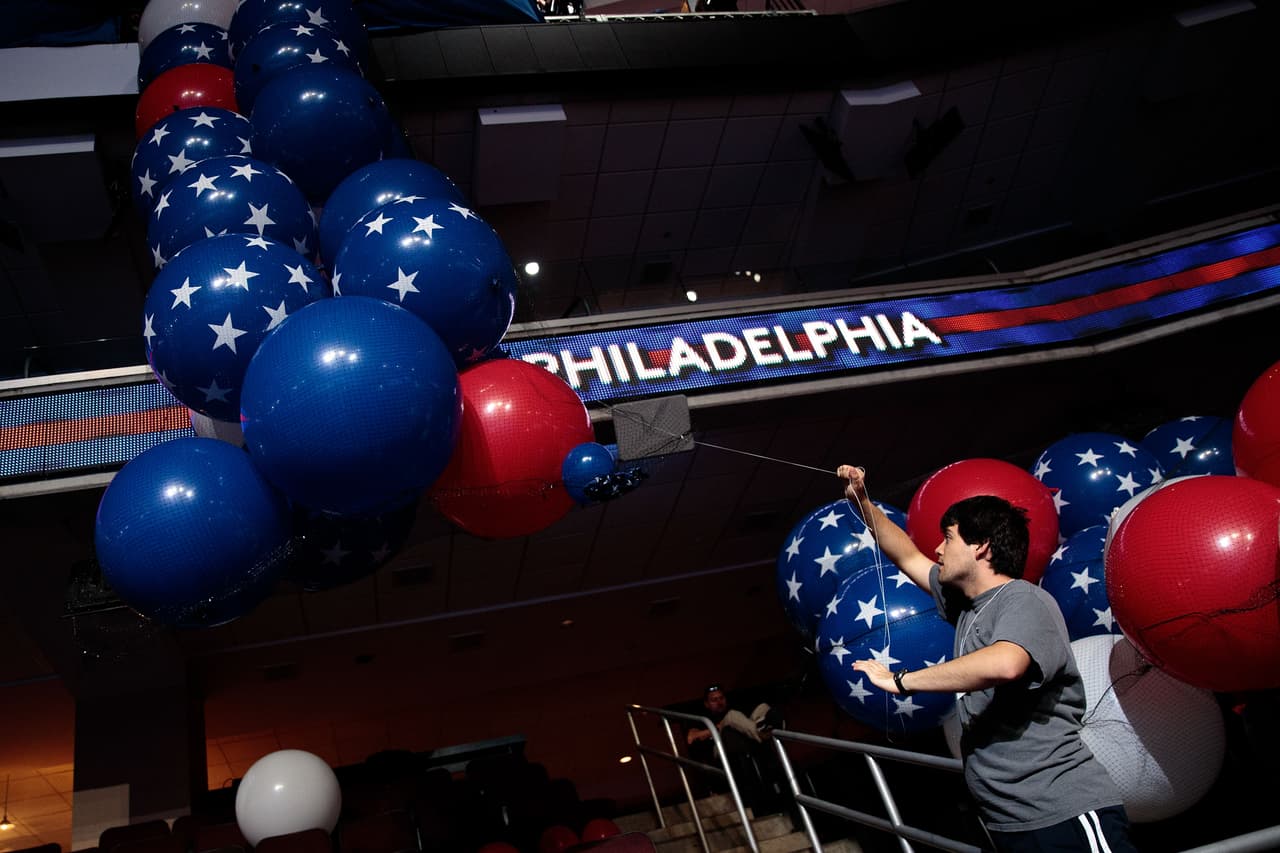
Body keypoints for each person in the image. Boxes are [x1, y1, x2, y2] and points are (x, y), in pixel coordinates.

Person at [835, 464, 1136, 853]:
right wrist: (862, 501)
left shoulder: (1023, 599)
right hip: (1011, 822)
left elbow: (1006, 663)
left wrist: (901, 680)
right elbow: (906, 554)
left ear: (980, 546)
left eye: (948, 538)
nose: (938, 549)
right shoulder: (966, 606)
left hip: (1064, 812)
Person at [684, 684, 785, 813]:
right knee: (732, 716)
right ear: (707, 704)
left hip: (741, 745)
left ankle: (767, 726)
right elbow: (692, 737)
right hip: (719, 751)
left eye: (721, 698)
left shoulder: (735, 711)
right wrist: (718, 726)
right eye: (714, 700)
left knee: (762, 708)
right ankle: (763, 731)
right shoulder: (702, 719)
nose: (719, 702)